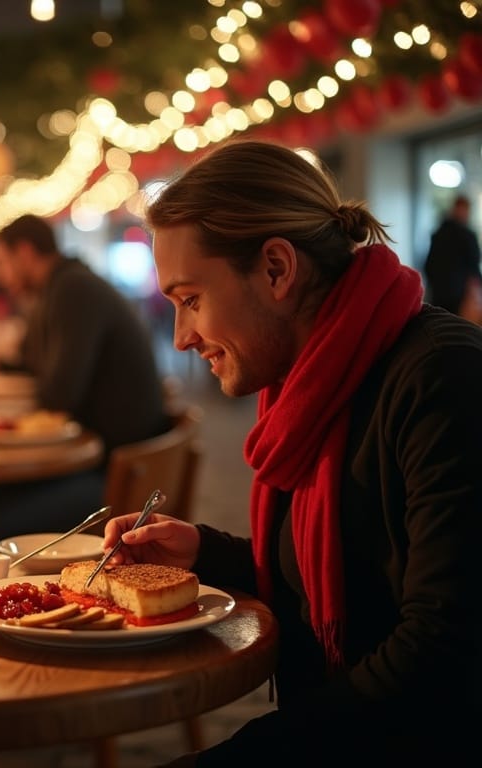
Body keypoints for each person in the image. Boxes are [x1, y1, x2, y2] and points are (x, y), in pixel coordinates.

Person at [101, 139, 480, 766]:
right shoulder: (308, 385)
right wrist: (206, 552)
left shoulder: (440, 376)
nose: (182, 336)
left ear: (276, 269)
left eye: (191, 300)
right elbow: (347, 568)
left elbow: (441, 654)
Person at [0, 214, 171, 547]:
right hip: (107, 459)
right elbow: (33, 364)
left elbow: (58, 394)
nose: (0, 276)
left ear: (24, 253)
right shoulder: (60, 286)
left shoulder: (73, 289)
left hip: (114, 477)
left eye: (2, 263)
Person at [423, 194, 482, 322]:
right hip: (459, 295)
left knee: (440, 327)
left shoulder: (438, 233)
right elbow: (474, 267)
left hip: (438, 293)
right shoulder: (468, 235)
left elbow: (428, 265)